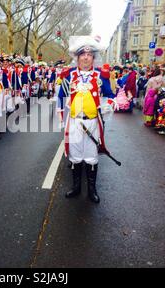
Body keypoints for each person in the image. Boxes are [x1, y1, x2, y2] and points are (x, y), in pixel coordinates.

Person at [58, 36, 109, 204]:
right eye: (82, 54)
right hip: (74, 122)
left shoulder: (101, 75)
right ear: (77, 57)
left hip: (93, 122)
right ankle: (76, 187)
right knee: (75, 155)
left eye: (89, 54)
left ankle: (92, 189)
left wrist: (106, 107)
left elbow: (110, 95)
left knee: (91, 156)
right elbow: (60, 96)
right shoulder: (69, 75)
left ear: (93, 57)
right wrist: (61, 117)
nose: (86, 57)